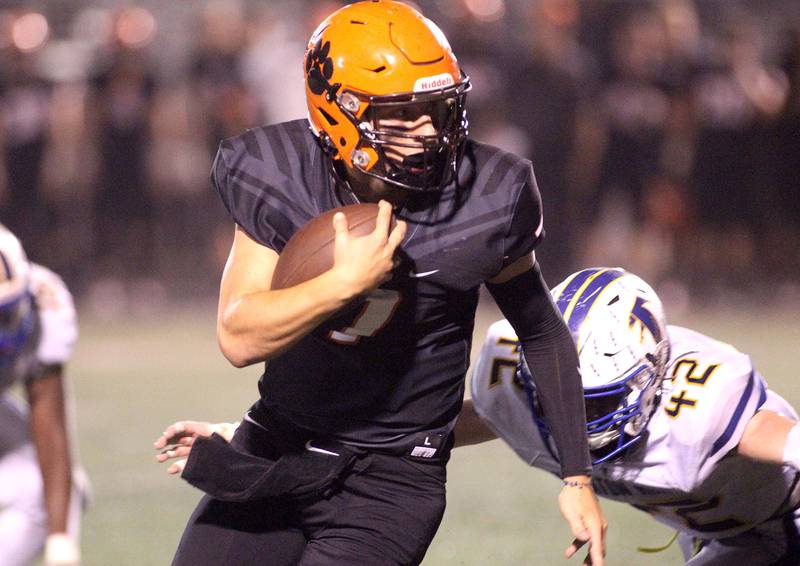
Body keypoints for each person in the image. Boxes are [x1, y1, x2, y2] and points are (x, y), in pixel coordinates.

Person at [168, 1, 605, 565]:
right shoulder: (277, 170)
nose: (428, 132)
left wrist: (577, 478)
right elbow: (239, 338)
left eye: (438, 108)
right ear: (338, 111)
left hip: (395, 481)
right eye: (403, 114)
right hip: (277, 445)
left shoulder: (490, 194)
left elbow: (542, 333)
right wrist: (340, 284)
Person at [160, 267, 800, 565]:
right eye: (560, 396)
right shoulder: (518, 382)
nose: (568, 418)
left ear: (653, 380)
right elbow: (456, 425)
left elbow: (788, 444)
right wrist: (249, 433)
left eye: (594, 401)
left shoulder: (706, 403)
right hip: (720, 534)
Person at [0, 225, 85, 566]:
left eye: (6, 313)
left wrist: (60, 540)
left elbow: (48, 413)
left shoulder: (44, 300)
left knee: (52, 494)